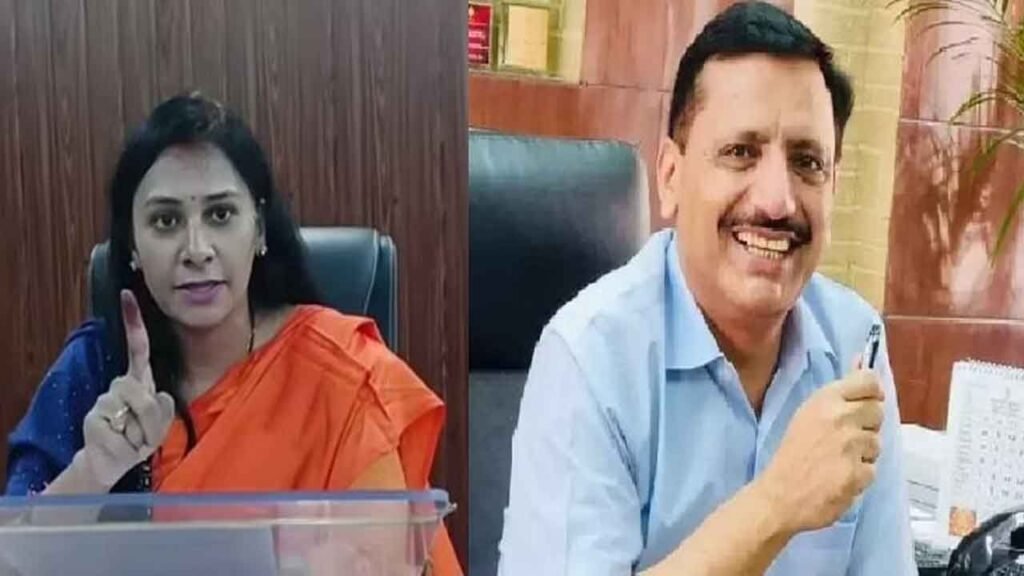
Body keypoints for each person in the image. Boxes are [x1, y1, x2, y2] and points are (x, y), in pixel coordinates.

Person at [498, 2, 915, 575]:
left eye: (807, 162)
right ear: (670, 177)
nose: (777, 201)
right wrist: (778, 503)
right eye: (741, 153)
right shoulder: (591, 356)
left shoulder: (855, 343)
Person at [5, 93, 461, 575]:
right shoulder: (94, 369)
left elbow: (386, 565)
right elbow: (11, 561)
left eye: (220, 215)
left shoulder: (344, 376)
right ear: (132, 245)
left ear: (259, 229)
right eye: (165, 221)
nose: (197, 249)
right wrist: (93, 471)